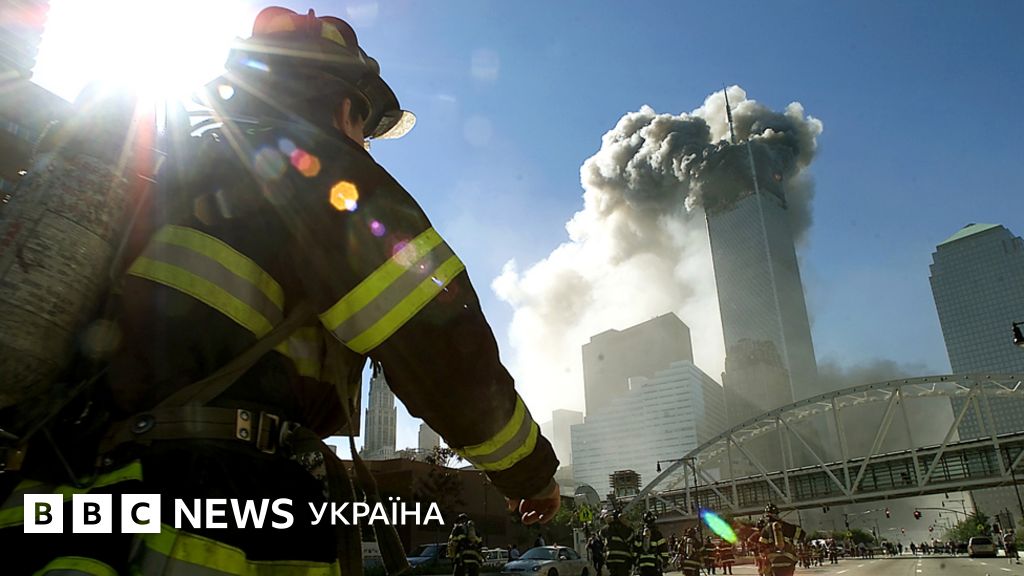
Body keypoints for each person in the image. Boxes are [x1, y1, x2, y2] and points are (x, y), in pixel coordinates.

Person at [0, 6, 561, 574]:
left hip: (61, 499)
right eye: (366, 128)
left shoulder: (174, 173)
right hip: (210, 505)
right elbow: (440, 344)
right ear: (346, 105)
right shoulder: (322, 173)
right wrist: (530, 473)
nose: (366, 144)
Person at [758, 504, 805, 576]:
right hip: (789, 559)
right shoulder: (786, 526)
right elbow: (802, 534)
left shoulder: (765, 529)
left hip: (774, 562)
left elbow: (761, 547)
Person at [632, 511, 669, 576]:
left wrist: (634, 562)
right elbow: (663, 548)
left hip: (642, 565)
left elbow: (635, 549)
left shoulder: (639, 534)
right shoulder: (657, 534)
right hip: (655, 564)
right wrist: (665, 561)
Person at [601, 509, 634, 576]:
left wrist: (607, 522)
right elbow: (631, 538)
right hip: (623, 559)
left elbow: (601, 535)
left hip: (610, 558)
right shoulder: (625, 529)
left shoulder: (607, 528)